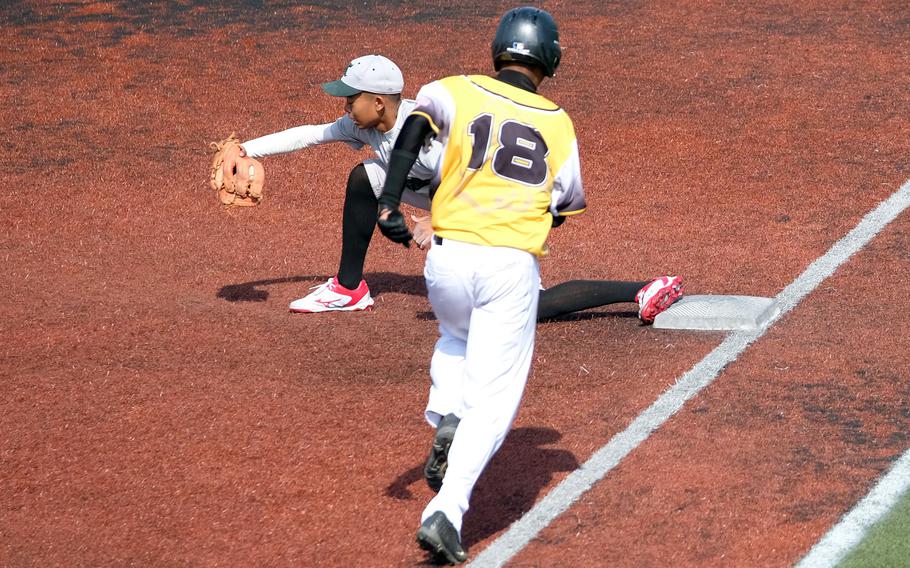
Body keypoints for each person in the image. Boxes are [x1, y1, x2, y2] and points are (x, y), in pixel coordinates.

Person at [374, 7, 602, 563]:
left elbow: (410, 133)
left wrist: (388, 202)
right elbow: (566, 203)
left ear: (498, 48)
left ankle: (446, 411)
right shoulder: (557, 121)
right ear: (549, 58)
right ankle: (447, 512)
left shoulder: (451, 90)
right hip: (508, 267)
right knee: (496, 401)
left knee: (456, 337)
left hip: (447, 259)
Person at [220, 54, 683, 322]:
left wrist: (432, 221)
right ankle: (348, 287)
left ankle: (641, 288)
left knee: (528, 310)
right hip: (443, 202)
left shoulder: (427, 135)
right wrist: (247, 148)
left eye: (350, 97)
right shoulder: (361, 126)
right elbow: (311, 133)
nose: (344, 106)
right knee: (365, 177)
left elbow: (474, 184)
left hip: (493, 213)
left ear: (377, 102)